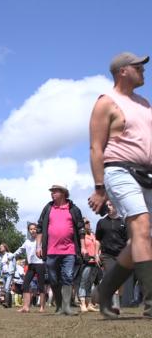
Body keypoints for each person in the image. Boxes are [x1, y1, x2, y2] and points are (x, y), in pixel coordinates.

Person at [88, 52, 152, 319]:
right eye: (139, 66)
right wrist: (100, 187)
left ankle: (104, 290)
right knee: (143, 229)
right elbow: (95, 148)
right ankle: (151, 304)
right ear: (123, 71)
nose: (144, 70)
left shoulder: (145, 103)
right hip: (119, 171)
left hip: (146, 173)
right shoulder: (106, 103)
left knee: (142, 239)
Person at [36, 181, 87, 316]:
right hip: (51, 250)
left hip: (69, 250)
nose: (52, 193)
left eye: (55, 190)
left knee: (68, 277)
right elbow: (40, 227)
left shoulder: (73, 209)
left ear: (63, 193)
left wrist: (83, 246)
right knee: (53, 279)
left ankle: (66, 307)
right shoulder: (48, 208)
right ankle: (59, 307)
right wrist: (38, 246)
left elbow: (81, 228)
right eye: (52, 191)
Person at [94, 200, 128, 315]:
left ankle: (118, 304)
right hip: (106, 255)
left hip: (121, 254)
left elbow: (128, 239)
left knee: (120, 281)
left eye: (110, 205)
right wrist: (96, 254)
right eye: (107, 205)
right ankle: (114, 305)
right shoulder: (101, 222)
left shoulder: (124, 222)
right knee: (112, 277)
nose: (108, 207)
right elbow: (98, 239)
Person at [9, 223, 47, 313]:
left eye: (35, 229)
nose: (33, 230)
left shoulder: (41, 241)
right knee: (25, 285)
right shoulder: (27, 241)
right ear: (29, 231)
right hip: (30, 265)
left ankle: (42, 307)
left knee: (41, 285)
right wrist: (12, 256)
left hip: (40, 264)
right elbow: (20, 250)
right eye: (31, 229)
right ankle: (26, 306)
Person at [77, 218, 99, 313]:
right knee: (83, 282)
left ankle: (89, 304)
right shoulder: (81, 237)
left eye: (89, 222)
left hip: (95, 262)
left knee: (90, 283)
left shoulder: (92, 235)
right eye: (86, 223)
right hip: (85, 262)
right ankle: (82, 304)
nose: (88, 224)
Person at [0, 243, 15, 308]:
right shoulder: (1, 257)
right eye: (0, 247)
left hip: (9, 273)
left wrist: (13, 272)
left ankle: (6, 303)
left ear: (5, 247)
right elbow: (0, 265)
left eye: (2, 247)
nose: (0, 248)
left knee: (7, 287)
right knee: (6, 288)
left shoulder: (10, 255)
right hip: (3, 274)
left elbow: (14, 264)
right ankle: (9, 304)